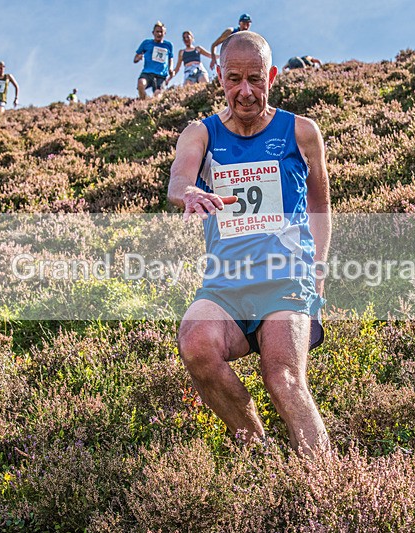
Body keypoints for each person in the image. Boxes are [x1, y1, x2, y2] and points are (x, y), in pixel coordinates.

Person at [168, 31, 331, 457]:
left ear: (272, 76)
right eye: (234, 79)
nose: (245, 91)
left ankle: (330, 488)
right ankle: (257, 448)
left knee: (283, 376)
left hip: (285, 278)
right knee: (196, 342)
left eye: (256, 79)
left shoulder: (301, 131)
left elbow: (320, 203)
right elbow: (179, 178)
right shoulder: (200, 133)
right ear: (219, 78)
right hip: (226, 284)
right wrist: (189, 193)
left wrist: (319, 267)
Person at [134, 21, 175, 99]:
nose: (159, 34)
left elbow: (170, 58)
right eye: (157, 32)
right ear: (153, 33)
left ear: (164, 33)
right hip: (147, 73)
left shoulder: (168, 45)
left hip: (161, 75)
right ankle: (144, 100)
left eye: (161, 32)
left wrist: (170, 69)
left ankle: (153, 105)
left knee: (158, 95)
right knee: (141, 84)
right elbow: (135, 59)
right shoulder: (146, 43)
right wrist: (138, 58)